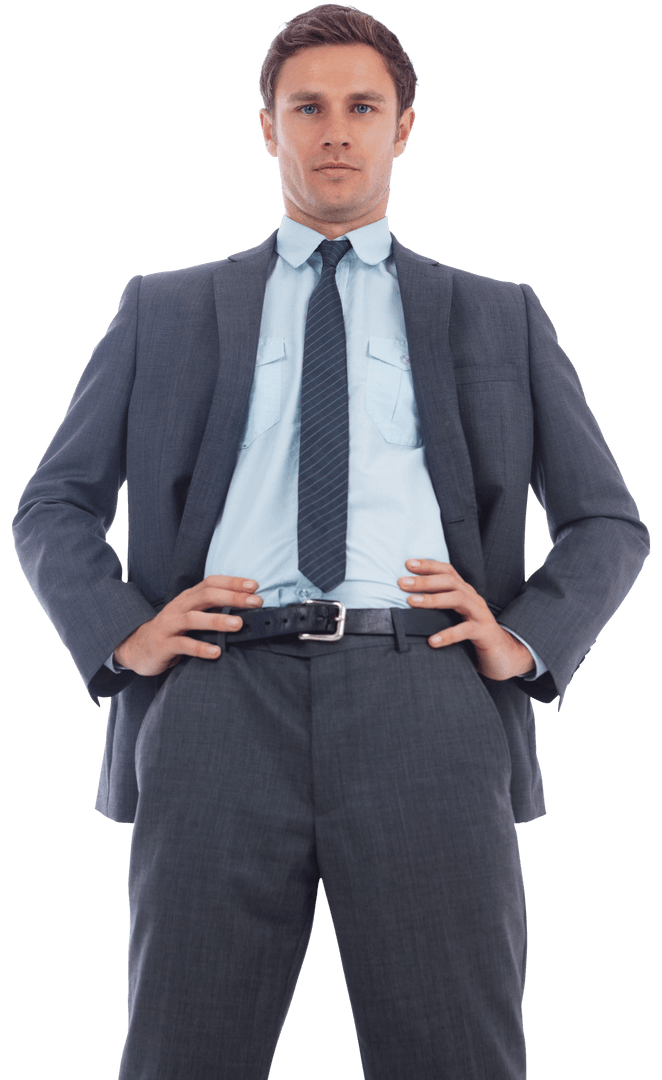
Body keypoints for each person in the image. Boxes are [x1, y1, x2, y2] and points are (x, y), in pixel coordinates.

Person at [11, 4, 650, 1079]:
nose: (335, 132)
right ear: (267, 127)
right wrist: (128, 635)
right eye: (306, 108)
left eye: (363, 107)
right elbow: (51, 504)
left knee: (456, 1053)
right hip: (216, 696)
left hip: (427, 699)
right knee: (183, 1051)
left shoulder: (499, 314)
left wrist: (523, 639)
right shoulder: (162, 308)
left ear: (404, 127)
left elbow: (607, 521)